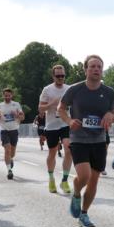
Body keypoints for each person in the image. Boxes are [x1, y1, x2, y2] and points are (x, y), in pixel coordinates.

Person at [57, 55, 114, 227]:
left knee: (94, 180)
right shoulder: (75, 90)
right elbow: (61, 109)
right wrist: (69, 121)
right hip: (79, 139)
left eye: (99, 66)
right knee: (84, 176)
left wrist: (110, 116)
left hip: (99, 140)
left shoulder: (108, 92)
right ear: (85, 70)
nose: (96, 69)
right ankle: (76, 193)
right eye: (92, 66)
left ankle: (84, 213)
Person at [39, 64, 73, 194]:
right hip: (52, 125)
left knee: (68, 148)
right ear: (53, 76)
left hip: (65, 123)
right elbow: (41, 108)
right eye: (58, 76)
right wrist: (53, 103)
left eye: (62, 76)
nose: (60, 78)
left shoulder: (69, 89)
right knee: (52, 152)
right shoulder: (47, 90)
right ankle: (51, 178)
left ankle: (64, 180)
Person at [0, 88, 25, 180]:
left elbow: (22, 117)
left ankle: (10, 159)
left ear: (11, 95)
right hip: (4, 130)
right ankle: (9, 170)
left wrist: (16, 115)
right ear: (3, 95)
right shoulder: (0, 105)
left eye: (9, 95)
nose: (7, 97)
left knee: (12, 152)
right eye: (5, 95)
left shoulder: (16, 105)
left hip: (14, 130)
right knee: (7, 149)